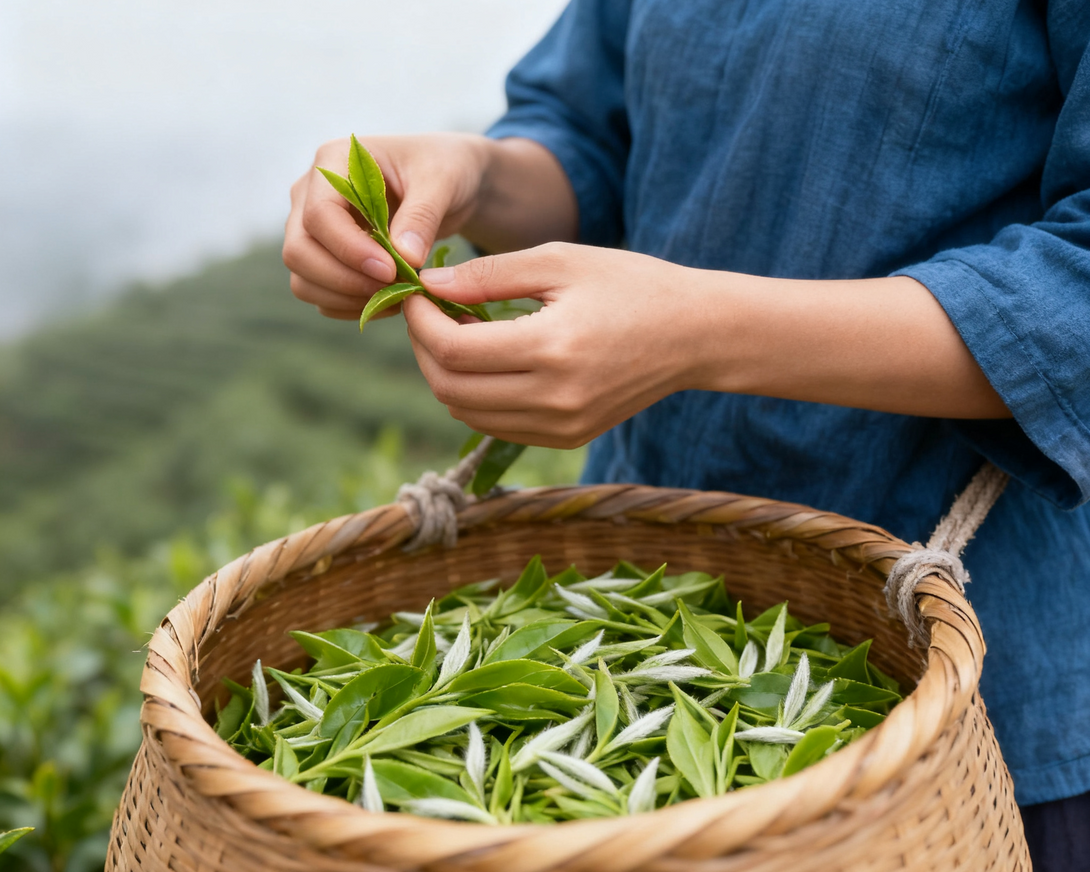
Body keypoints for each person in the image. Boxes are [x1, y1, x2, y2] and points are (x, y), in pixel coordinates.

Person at [282, 1, 1090, 867]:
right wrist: (470, 175)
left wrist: (699, 335)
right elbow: (590, 134)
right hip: (635, 598)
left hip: (962, 648)